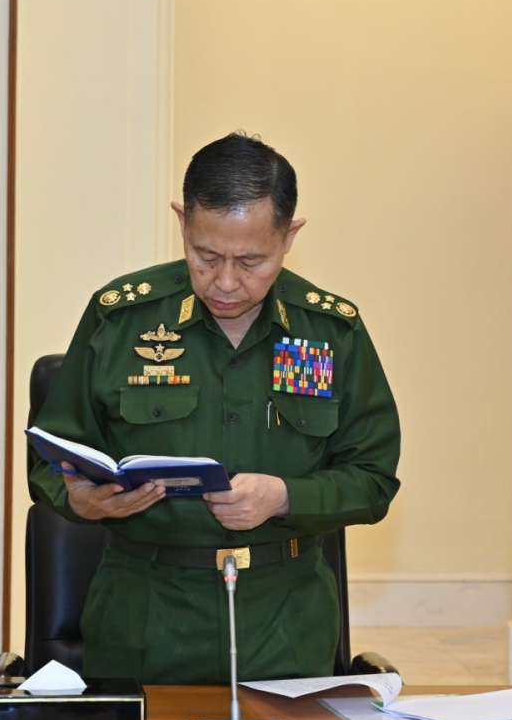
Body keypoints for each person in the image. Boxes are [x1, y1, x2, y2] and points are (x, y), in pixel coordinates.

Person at [28, 132, 401, 684]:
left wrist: (283, 496)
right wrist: (81, 498)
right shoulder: (121, 318)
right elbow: (51, 461)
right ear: (183, 222)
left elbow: (373, 481)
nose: (226, 282)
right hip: (144, 616)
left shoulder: (329, 331)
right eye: (206, 257)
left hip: (285, 623)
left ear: (289, 236)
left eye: (251, 261)